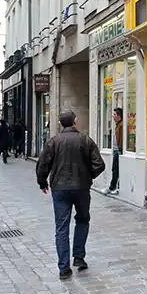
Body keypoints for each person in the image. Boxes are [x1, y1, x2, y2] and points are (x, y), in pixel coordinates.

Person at [37, 110, 105, 280]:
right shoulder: (85, 140)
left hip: (60, 188)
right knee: (82, 220)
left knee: (61, 227)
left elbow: (42, 164)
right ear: (75, 122)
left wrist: (42, 182)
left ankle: (64, 268)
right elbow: (99, 164)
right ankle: (79, 257)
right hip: (81, 188)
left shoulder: (54, 141)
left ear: (61, 124)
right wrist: (87, 176)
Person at [107, 108, 123, 195]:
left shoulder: (121, 126)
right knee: (115, 169)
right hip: (116, 150)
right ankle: (113, 186)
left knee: (116, 170)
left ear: (119, 116)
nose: (113, 116)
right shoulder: (118, 125)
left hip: (118, 150)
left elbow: (121, 139)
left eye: (115, 115)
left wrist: (120, 149)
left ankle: (114, 187)